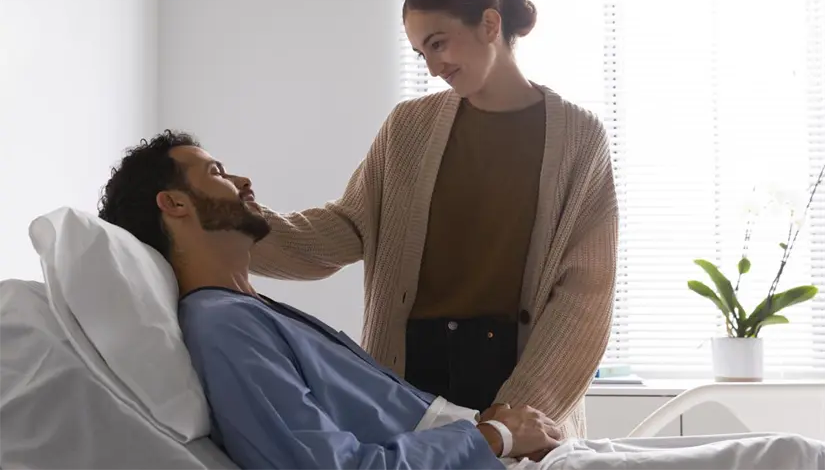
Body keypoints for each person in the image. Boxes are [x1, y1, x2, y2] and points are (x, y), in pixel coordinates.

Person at [97, 131, 825, 470]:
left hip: (505, 452)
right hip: (488, 458)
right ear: (174, 204)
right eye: (216, 172)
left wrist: (510, 431)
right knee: (788, 456)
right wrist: (494, 437)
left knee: (792, 451)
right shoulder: (223, 329)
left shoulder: (245, 313)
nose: (242, 178)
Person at [246, 0, 618, 438]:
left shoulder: (580, 138)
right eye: (422, 53)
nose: (433, 67)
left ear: (489, 23)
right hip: (409, 377)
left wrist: (516, 413)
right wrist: (233, 227)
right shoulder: (409, 127)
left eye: (438, 44)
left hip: (514, 374)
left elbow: (585, 296)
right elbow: (346, 228)